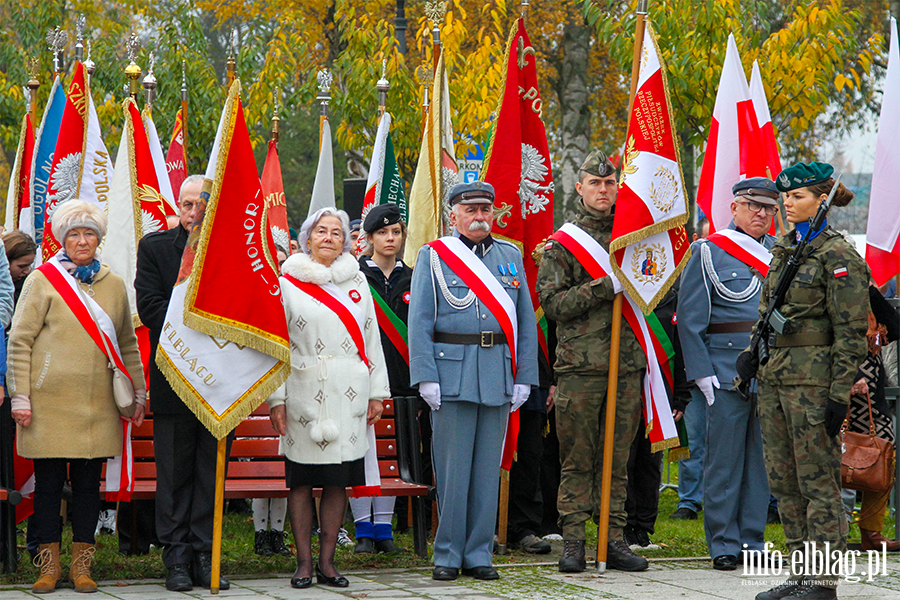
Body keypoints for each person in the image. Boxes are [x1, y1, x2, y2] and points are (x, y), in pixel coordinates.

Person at [739, 162, 869, 600]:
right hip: (776, 380)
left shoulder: (839, 255)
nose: (787, 204)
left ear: (821, 200)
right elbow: (768, 313)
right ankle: (802, 573)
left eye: (797, 197)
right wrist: (751, 358)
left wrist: (838, 395)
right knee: (785, 483)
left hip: (813, 387)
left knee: (818, 485)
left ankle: (824, 581)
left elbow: (851, 333)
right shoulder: (785, 249)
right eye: (786, 197)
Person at [8, 200, 146, 593]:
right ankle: (48, 568)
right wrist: (21, 396)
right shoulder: (42, 280)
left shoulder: (114, 284)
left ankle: (81, 568)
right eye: (74, 234)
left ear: (99, 240)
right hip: (47, 404)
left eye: (89, 234)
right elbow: (19, 341)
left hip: (97, 406)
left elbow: (127, 344)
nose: (82, 241)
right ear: (61, 239)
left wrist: (138, 390)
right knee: (49, 488)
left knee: (88, 490)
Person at [408, 180, 538, 581]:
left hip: (498, 373)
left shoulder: (510, 256)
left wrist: (524, 377)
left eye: (485, 210)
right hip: (452, 376)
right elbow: (420, 323)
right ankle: (447, 554)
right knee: (452, 471)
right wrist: (426, 376)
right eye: (471, 211)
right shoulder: (433, 258)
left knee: (487, 471)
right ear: (454, 215)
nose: (479, 217)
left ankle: (479, 553)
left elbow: (526, 324)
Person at [536, 149, 648, 573]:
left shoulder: (635, 239)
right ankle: (575, 542)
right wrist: (606, 287)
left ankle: (614, 539)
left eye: (609, 182)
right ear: (579, 187)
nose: (603, 190)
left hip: (626, 364)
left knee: (618, 458)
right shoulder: (564, 244)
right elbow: (552, 304)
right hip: (580, 368)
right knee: (578, 458)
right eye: (595, 183)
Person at [268, 207, 389, 589]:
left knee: (337, 481)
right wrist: (277, 399)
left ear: (346, 241)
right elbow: (276, 346)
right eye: (321, 231)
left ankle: (328, 563)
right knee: (302, 482)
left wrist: (377, 392)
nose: (329, 238)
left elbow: (372, 341)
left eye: (337, 232)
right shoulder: (287, 284)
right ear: (307, 238)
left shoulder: (357, 283)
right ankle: (303, 564)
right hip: (303, 391)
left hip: (347, 393)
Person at [135, 174, 230, 592]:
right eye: (188, 204)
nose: (195, 213)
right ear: (178, 205)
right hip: (174, 379)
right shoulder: (155, 247)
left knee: (210, 475)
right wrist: (197, 325)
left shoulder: (228, 253)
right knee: (174, 476)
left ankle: (205, 557)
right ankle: (175, 559)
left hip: (221, 382)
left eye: (202, 205)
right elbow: (150, 307)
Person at [678, 177, 778, 570]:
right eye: (753, 206)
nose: (760, 214)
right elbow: (689, 320)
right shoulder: (706, 252)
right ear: (734, 208)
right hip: (724, 372)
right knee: (723, 461)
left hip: (770, 370)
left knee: (760, 461)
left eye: (769, 208)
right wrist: (701, 374)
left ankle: (752, 540)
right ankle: (722, 543)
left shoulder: (781, 254)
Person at [350, 203, 410, 554]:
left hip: (401, 381)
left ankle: (384, 528)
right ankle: (362, 527)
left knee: (392, 454)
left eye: (396, 232)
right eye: (383, 233)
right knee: (361, 452)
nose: (390, 239)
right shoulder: (354, 277)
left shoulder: (414, 276)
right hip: (362, 381)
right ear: (369, 238)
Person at [845, 286, 900, 552]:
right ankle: (828, 531)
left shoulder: (865, 293)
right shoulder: (824, 294)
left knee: (883, 457)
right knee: (830, 463)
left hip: (871, 396)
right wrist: (852, 374)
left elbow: (895, 327)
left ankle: (872, 532)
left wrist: (869, 290)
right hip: (834, 387)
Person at [3, 231, 36, 306]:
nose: (27, 271)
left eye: (29, 265)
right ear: (6, 261)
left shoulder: (28, 287)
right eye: (21, 266)